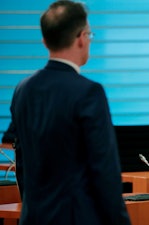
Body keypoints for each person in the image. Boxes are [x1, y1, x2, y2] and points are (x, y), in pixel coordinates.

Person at [9, 1, 131, 225]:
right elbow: (104, 170)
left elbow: (21, 162)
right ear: (81, 38)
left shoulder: (22, 89)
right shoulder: (88, 92)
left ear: (45, 41)